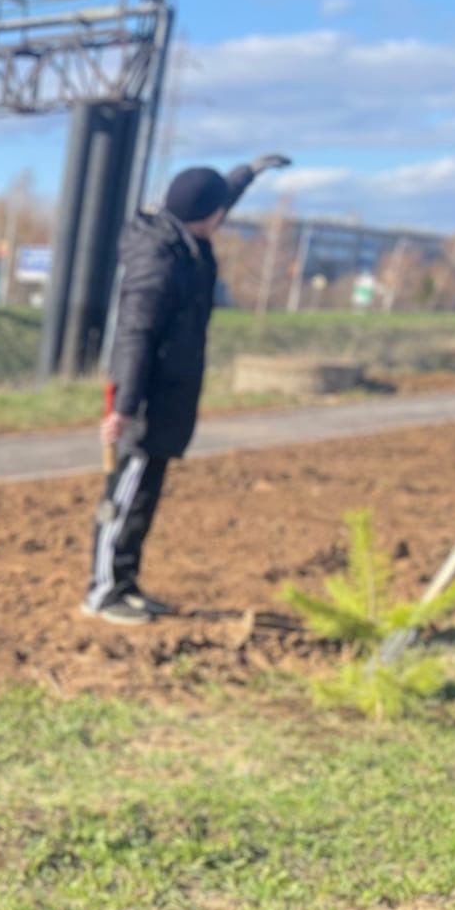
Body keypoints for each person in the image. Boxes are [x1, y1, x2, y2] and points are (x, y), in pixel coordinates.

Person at [84, 153, 292, 625]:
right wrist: (125, 408)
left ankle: (124, 582)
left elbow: (212, 198)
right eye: (221, 210)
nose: (223, 217)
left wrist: (248, 173)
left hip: (168, 397)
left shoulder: (182, 231)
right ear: (208, 216)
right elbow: (135, 334)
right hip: (145, 402)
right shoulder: (157, 260)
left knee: (143, 500)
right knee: (125, 497)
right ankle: (101, 592)